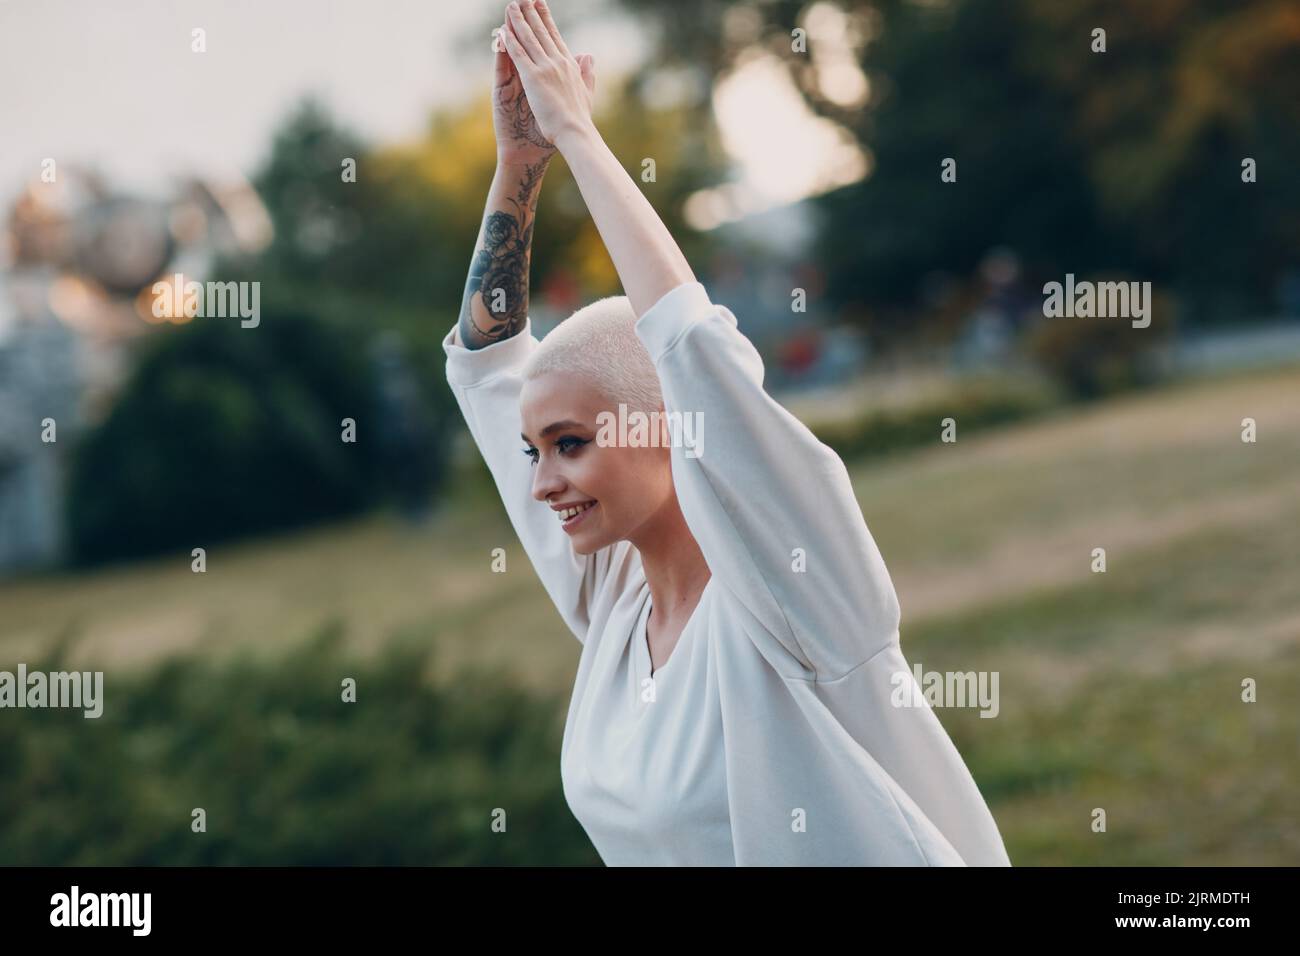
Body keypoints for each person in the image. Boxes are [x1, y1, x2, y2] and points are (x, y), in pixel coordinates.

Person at [442, 0, 1011, 866]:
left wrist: (581, 137)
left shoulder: (797, 587)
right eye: (534, 451)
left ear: (669, 424)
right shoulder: (613, 600)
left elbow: (690, 345)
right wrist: (522, 162)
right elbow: (486, 366)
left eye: (569, 444)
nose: (542, 481)